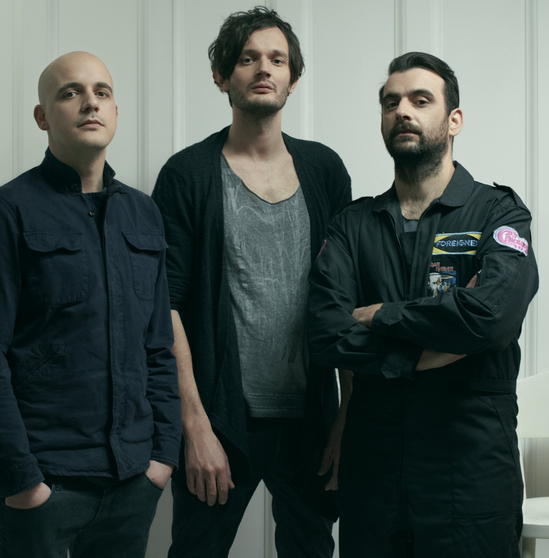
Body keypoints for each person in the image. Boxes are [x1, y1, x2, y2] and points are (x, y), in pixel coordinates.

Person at [308, 52, 539, 558]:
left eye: (420, 100)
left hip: (470, 477)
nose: (402, 111)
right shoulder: (352, 225)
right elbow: (324, 332)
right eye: (391, 103)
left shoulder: (498, 212)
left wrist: (381, 315)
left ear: (454, 120)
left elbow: (491, 317)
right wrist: (426, 349)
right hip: (374, 479)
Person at [0, 51, 181, 558]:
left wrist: (162, 458)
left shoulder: (143, 214)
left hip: (133, 482)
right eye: (70, 92)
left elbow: (157, 347)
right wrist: (23, 481)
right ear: (42, 117)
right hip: (44, 485)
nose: (90, 103)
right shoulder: (3, 213)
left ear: (116, 111)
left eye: (102, 92)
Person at [152, 6, 352, 558]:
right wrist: (195, 427)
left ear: (293, 78)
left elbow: (348, 298)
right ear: (222, 76)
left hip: (310, 418)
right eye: (248, 58)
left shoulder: (325, 170)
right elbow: (165, 305)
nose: (264, 68)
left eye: (277, 59)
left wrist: (346, 416)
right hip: (221, 419)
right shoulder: (188, 174)